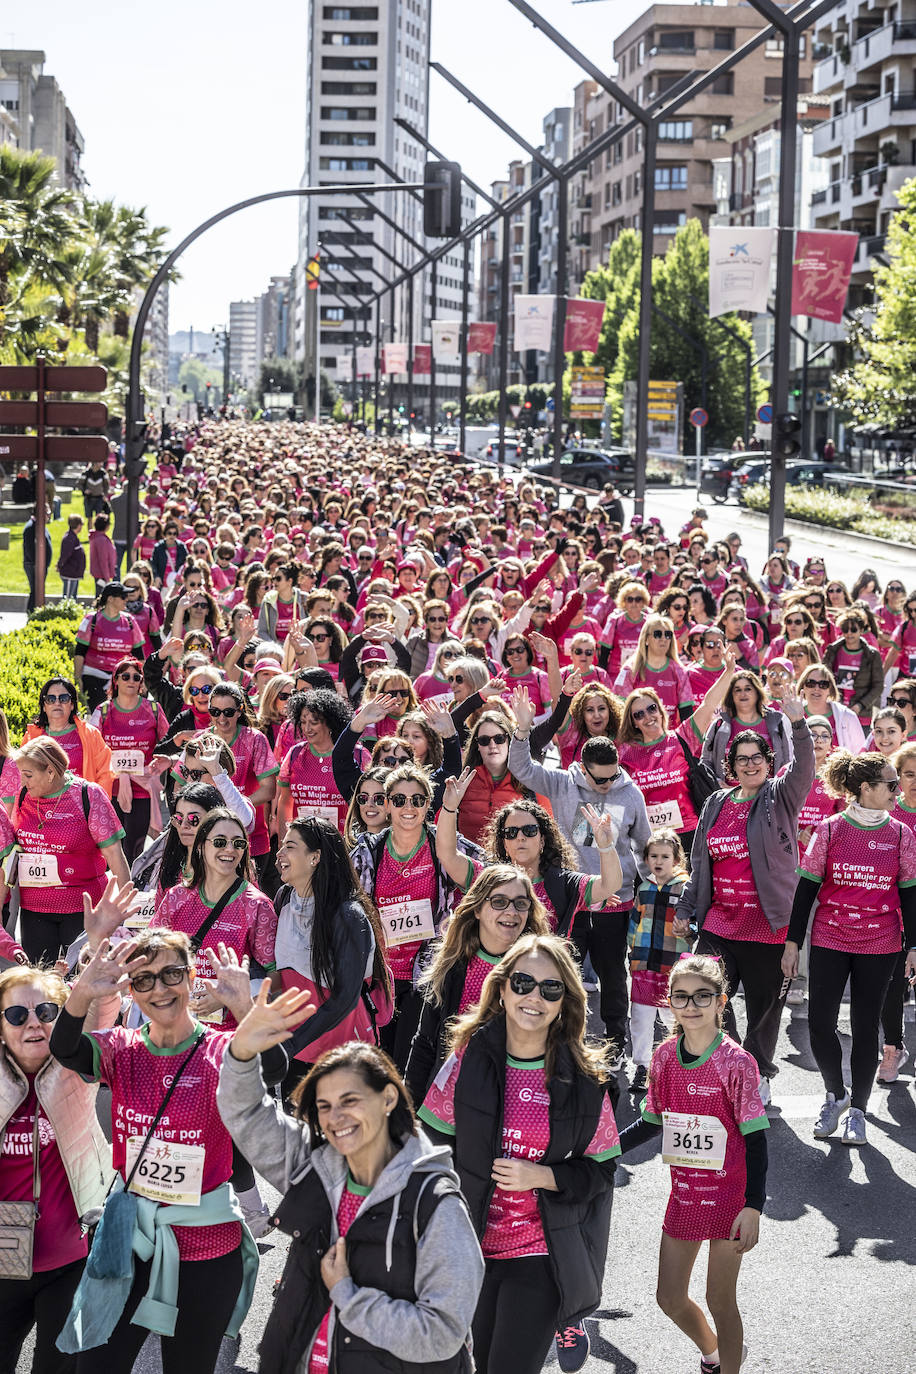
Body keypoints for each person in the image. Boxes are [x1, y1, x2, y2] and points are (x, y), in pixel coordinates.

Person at [218, 1011, 483, 1373]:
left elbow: (442, 1333)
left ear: (388, 1098)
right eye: (324, 1106)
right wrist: (243, 1051)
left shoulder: (437, 1204)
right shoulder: (315, 1166)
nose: (335, 1117)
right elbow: (246, 1113)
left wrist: (347, 1295)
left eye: (350, 1100)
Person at [49, 928, 259, 1372]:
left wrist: (245, 1008)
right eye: (143, 980)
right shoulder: (120, 1050)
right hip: (127, 1238)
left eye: (171, 974)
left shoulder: (222, 1050)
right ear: (131, 989)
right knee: (95, 1366)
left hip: (206, 1246)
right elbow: (64, 1048)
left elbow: (271, 1068)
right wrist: (84, 988)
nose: (159, 989)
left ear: (190, 977)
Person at [418, 933, 619, 1374]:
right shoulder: (466, 1057)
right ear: (503, 987)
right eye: (523, 983)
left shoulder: (585, 1078)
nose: (534, 997)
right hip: (468, 1249)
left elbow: (603, 1171)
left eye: (551, 989)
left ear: (565, 1000)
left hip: (541, 1253)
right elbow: (429, 1147)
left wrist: (543, 1177)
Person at [0, 897, 132, 1374]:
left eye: (46, 1012)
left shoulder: (74, 1066)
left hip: (69, 1259)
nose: (33, 1023)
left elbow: (97, 1007)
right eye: (16, 1016)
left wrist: (98, 943)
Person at [619, 955, 769, 1374]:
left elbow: (757, 1140)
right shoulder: (665, 1057)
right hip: (684, 1197)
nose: (691, 1005)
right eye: (681, 997)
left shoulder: (737, 1063)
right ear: (669, 1002)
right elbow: (652, 1122)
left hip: (730, 1200)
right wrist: (605, 1152)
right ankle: (716, 1354)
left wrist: (754, 1206)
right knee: (668, 1298)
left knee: (721, 1300)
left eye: (703, 996)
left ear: (722, 1002)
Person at [677, 685, 814, 1105]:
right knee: (705, 993)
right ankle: (728, 1063)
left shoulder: (780, 796)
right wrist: (686, 905)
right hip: (720, 919)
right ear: (730, 765)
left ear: (769, 763)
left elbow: (805, 769)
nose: (750, 764)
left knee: (763, 1010)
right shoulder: (716, 802)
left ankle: (757, 1073)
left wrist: (798, 722)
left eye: (758, 758)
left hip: (768, 924)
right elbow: (700, 861)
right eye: (742, 759)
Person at [508, 690, 650, 1061]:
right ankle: (565, 1041)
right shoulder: (562, 783)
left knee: (613, 976)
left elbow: (645, 847)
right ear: (583, 769)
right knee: (563, 975)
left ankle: (617, 1042)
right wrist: (522, 732)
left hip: (615, 901)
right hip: (569, 898)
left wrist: (646, 891)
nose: (606, 785)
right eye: (599, 781)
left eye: (612, 777)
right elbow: (522, 769)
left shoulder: (630, 793)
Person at [783, 751, 916, 1146]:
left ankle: (857, 1109)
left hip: (881, 941)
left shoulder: (900, 834)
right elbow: (805, 890)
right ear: (865, 788)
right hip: (830, 937)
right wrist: (792, 943)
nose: (898, 790)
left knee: (863, 1026)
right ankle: (835, 1094)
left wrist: (913, 946)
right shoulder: (829, 830)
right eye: (891, 784)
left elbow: (910, 895)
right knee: (820, 1024)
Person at [350, 763, 480, 1070]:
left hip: (425, 972)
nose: (408, 808)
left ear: (427, 805)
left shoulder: (444, 844)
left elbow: (487, 874)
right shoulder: (369, 850)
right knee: (376, 1060)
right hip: (379, 974)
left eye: (417, 800)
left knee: (407, 1062)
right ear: (387, 805)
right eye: (399, 800)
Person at [404, 865, 550, 1104]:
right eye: (500, 902)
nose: (512, 911)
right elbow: (425, 1043)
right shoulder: (452, 966)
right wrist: (408, 1110)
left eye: (521, 903)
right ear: (478, 909)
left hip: (507, 1108)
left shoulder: (540, 970)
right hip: (443, 1106)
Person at [272, 816, 393, 1090]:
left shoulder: (349, 915)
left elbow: (345, 999)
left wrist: (289, 1044)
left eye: (289, 846)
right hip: (299, 1050)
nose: (279, 854)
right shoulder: (284, 898)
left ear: (315, 857)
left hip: (344, 1055)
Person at [151, 808, 277, 1028]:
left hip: (228, 1033)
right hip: (176, 1026)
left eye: (238, 843)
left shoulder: (256, 905)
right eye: (220, 841)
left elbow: (277, 977)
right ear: (200, 846)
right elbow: (150, 955)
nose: (230, 849)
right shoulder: (176, 897)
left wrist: (225, 996)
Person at [11, 738, 130, 964]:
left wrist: (121, 914)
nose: (23, 781)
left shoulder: (88, 795)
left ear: (50, 771)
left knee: (80, 981)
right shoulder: (24, 796)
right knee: (40, 983)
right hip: (34, 909)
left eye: (28, 775)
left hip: (82, 909)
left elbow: (115, 856)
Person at [626, 829, 692, 1096]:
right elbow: (634, 923)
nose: (658, 861)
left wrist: (689, 932)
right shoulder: (644, 888)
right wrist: (631, 950)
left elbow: (693, 922)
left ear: (676, 859)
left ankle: (675, 1064)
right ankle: (642, 1066)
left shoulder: (684, 887)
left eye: (665, 856)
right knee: (640, 1018)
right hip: (644, 963)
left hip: (673, 965)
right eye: (653, 856)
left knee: (671, 1017)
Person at [91, 657, 170, 862]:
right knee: (109, 847)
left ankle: (131, 888)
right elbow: (92, 749)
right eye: (125, 676)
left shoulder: (153, 709)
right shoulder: (103, 711)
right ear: (116, 680)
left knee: (134, 846)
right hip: (110, 789)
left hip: (143, 788)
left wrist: (164, 762)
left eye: (136, 677)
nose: (131, 680)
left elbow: (169, 743)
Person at [22, 678, 113, 793]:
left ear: (72, 705)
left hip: (80, 806)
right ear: (44, 706)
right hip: (40, 807)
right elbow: (21, 776)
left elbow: (105, 773)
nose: (57, 703)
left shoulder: (90, 734)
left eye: (63, 698)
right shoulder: (31, 737)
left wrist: (96, 804)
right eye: (51, 699)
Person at [73, 583, 145, 713]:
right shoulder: (92, 619)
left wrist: (142, 681)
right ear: (110, 599)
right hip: (93, 675)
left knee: (118, 715)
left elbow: (139, 655)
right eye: (123, 596)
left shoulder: (130, 621)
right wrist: (77, 679)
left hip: (122, 678)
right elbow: (79, 652)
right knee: (99, 714)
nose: (126, 599)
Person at [22, 506, 52, 614]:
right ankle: (31, 613)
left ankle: (35, 612)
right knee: (35, 591)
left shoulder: (40, 525)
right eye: (47, 513)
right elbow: (29, 548)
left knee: (37, 590)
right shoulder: (31, 527)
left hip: (40, 565)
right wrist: (38, 563)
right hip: (34, 565)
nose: (49, 516)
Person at [56, 514, 86, 600]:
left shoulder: (73, 537)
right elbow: (65, 555)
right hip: (70, 573)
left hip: (74, 574)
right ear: (78, 525)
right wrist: (60, 565)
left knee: (73, 598)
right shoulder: (69, 538)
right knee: (67, 598)